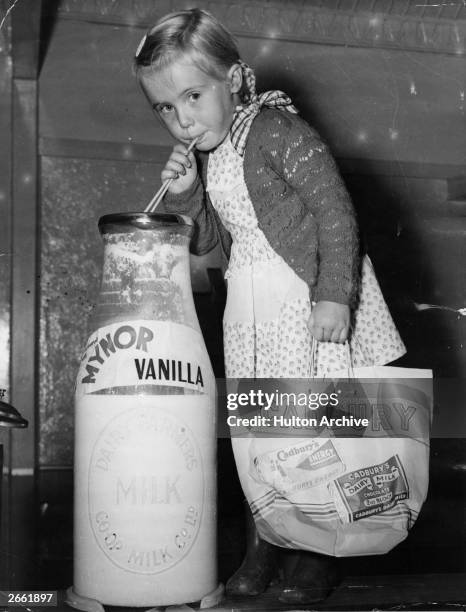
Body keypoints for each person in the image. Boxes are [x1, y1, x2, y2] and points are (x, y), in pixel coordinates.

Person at [134, 8, 406, 604]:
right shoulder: (214, 153)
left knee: (312, 432)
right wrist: (187, 195)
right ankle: (267, 542)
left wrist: (334, 297)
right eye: (166, 108)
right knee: (260, 433)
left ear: (233, 80)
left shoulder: (280, 130)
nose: (182, 119)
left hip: (300, 301)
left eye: (194, 96)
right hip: (249, 309)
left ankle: (316, 555)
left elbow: (336, 211)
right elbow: (210, 242)